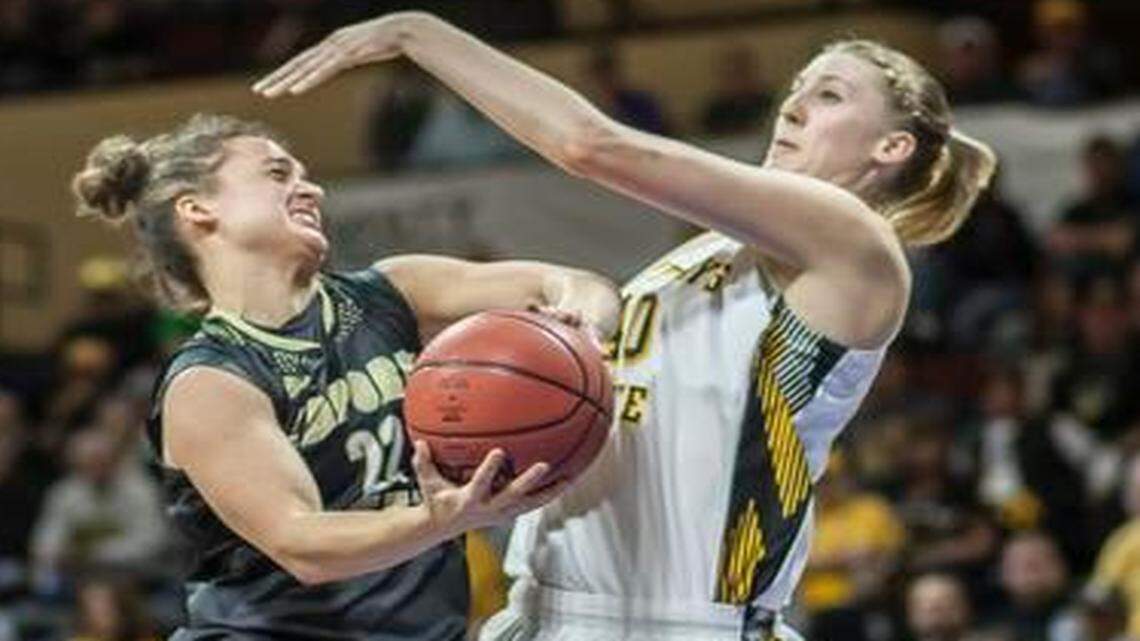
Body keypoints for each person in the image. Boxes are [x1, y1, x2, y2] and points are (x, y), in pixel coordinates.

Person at [254, 12, 996, 640]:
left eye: (828, 95)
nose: (792, 107)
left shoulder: (854, 244)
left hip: (673, 619)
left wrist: (419, 32)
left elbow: (591, 145)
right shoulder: (706, 251)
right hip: (544, 604)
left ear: (890, 148)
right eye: (796, 89)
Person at [72, 113, 621, 639]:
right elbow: (303, 544)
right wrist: (442, 518)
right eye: (277, 173)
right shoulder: (210, 380)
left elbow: (576, 283)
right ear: (197, 210)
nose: (313, 190)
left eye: (306, 176)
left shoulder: (391, 292)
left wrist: (580, 328)